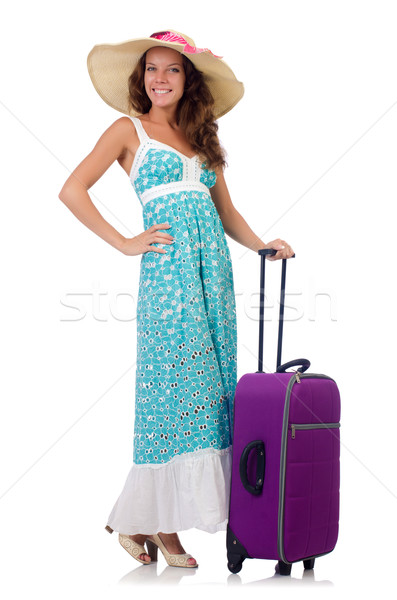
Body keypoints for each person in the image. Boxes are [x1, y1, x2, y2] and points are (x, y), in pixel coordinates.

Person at [58, 30, 294, 569]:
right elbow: (72, 189)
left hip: (215, 276)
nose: (159, 78)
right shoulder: (128, 130)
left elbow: (226, 213)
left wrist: (264, 245)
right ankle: (160, 525)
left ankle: (137, 520)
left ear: (188, 81)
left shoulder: (200, 138)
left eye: (171, 70)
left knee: (211, 395)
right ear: (141, 79)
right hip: (169, 278)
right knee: (171, 392)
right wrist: (124, 242)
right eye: (151, 70)